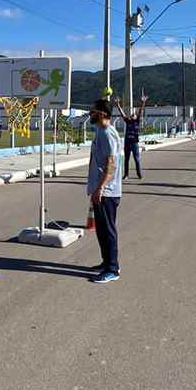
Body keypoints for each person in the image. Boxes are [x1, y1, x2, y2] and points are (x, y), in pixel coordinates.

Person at [88, 98, 123, 284]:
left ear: (102, 113)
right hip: (101, 190)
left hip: (107, 191)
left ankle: (113, 268)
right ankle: (106, 262)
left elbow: (111, 163)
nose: (90, 114)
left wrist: (100, 188)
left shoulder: (107, 133)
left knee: (108, 230)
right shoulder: (101, 131)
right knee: (101, 230)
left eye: (92, 111)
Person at [115, 93, 147, 180]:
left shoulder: (137, 121)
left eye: (134, 114)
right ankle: (126, 175)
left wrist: (143, 102)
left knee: (137, 159)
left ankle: (139, 174)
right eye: (132, 114)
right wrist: (118, 105)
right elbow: (122, 113)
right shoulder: (128, 121)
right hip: (127, 143)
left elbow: (140, 111)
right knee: (126, 159)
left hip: (134, 143)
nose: (133, 115)